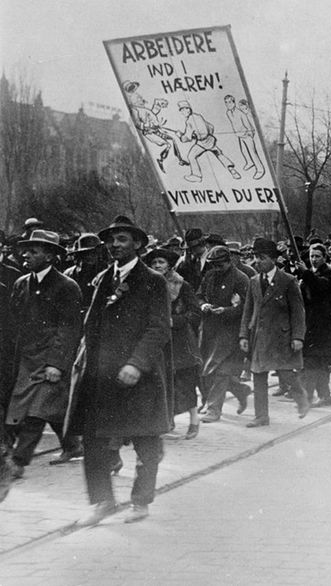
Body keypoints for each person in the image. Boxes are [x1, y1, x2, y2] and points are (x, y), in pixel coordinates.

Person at [66, 215, 171, 526]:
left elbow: (158, 328)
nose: (114, 245)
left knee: (146, 440)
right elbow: (91, 326)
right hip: (101, 375)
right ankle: (102, 502)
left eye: (122, 239)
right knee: (94, 440)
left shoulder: (153, 280)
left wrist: (136, 364)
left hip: (139, 375)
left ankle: (141, 501)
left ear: (137, 244)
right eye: (111, 240)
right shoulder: (102, 280)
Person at [4, 230, 82, 479]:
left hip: (50, 359)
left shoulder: (67, 287)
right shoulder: (21, 283)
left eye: (33, 251)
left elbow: (69, 328)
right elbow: (14, 323)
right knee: (47, 408)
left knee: (36, 413)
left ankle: (18, 461)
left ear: (50, 256)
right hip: (26, 359)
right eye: (25, 250)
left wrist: (56, 363)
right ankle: (72, 445)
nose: (25, 255)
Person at [239, 237, 309, 427]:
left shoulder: (288, 281)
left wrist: (298, 337)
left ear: (272, 259)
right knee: (258, 375)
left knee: (285, 372)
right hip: (259, 336)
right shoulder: (253, 281)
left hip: (281, 337)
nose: (258, 261)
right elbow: (248, 310)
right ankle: (261, 416)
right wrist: (244, 335)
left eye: (261, 257)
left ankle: (301, 397)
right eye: (255, 257)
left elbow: (298, 311)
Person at [144, 247, 202, 440]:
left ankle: (194, 422)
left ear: (169, 265)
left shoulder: (181, 284)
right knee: (162, 381)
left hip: (180, 341)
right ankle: (167, 421)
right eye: (154, 263)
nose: (157, 265)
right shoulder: (148, 284)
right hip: (159, 340)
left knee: (185, 382)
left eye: (161, 262)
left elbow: (195, 312)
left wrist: (174, 321)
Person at [197, 245, 251, 423]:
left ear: (229, 261)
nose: (216, 269)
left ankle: (213, 409)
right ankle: (240, 390)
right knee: (207, 369)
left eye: (220, 265)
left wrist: (227, 310)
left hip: (230, 332)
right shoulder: (210, 276)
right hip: (209, 329)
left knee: (220, 371)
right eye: (213, 265)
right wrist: (203, 305)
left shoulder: (241, 279)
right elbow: (199, 295)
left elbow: (248, 307)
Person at [295, 243, 331, 407]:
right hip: (309, 322)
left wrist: (305, 273)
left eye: (317, 256)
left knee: (316, 362)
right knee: (312, 362)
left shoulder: (328, 273)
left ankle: (316, 396)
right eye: (312, 256)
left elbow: (319, 286)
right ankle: (319, 395)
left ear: (324, 257)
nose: (314, 259)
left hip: (321, 324)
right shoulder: (309, 273)